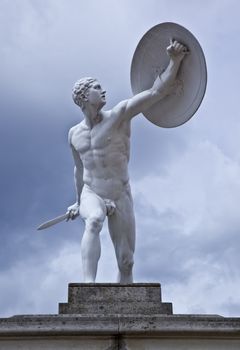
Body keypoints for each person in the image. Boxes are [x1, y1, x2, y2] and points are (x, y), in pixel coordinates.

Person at [67, 40, 187, 283]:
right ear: (84, 97)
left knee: (126, 261)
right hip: (93, 193)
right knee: (93, 220)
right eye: (97, 88)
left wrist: (175, 60)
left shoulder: (119, 115)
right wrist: (79, 201)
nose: (104, 91)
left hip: (120, 192)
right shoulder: (74, 135)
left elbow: (156, 92)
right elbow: (79, 171)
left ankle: (125, 308)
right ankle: (87, 289)